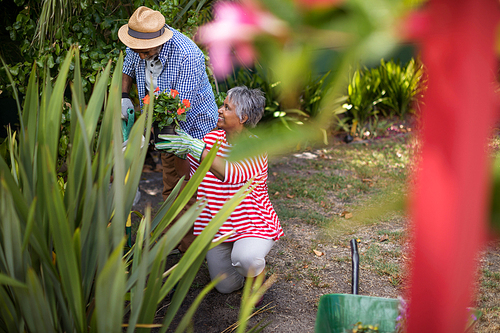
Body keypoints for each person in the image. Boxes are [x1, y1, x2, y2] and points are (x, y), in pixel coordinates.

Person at [156, 86, 283, 294]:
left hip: (252, 224)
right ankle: (242, 268)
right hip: (218, 226)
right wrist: (178, 152)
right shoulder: (211, 140)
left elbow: (230, 174)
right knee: (225, 287)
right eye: (222, 105)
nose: (220, 110)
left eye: (227, 107)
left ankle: (256, 276)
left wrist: (196, 148)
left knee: (246, 258)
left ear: (243, 118)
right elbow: (187, 174)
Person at [118, 6, 218, 252]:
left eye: (146, 52)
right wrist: (123, 96)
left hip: (191, 127)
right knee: (170, 182)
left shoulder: (187, 55)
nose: (141, 56)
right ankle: (172, 236)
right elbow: (128, 68)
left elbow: (178, 110)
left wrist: (142, 135)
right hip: (160, 123)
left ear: (159, 39)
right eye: (136, 50)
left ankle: (189, 249)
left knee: (188, 186)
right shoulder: (140, 41)